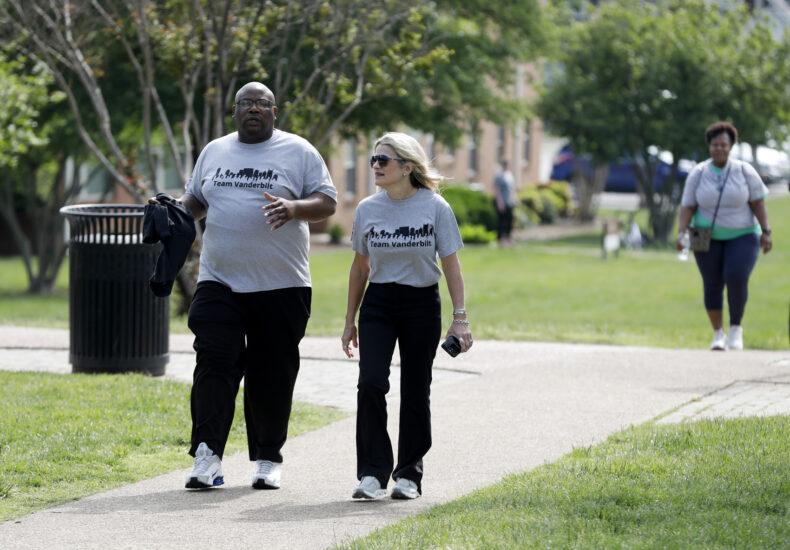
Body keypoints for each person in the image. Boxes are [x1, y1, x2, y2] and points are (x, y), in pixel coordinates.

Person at [153, 82, 337, 490]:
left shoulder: (300, 151)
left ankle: (268, 457)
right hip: (219, 280)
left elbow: (327, 202)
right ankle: (206, 455)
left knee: (271, 373)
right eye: (246, 103)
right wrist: (174, 211)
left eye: (262, 103)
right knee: (214, 364)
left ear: (275, 112)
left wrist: (293, 208)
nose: (254, 108)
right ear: (234, 111)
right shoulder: (215, 151)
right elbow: (197, 200)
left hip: (282, 285)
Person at [341, 132, 473, 500]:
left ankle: (409, 475)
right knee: (370, 383)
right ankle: (372, 473)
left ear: (407, 167)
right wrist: (350, 319)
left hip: (420, 304)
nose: (376, 167)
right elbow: (359, 269)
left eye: (383, 161)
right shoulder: (367, 208)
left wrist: (459, 317)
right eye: (373, 160)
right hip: (379, 304)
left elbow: (451, 267)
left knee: (416, 388)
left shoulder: (435, 208)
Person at [676, 121, 772, 351]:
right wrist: (681, 234)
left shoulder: (744, 171)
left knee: (736, 276)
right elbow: (687, 206)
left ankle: (735, 329)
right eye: (715, 144)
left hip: (743, 233)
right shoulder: (698, 173)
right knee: (712, 283)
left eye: (723, 145)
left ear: (731, 147)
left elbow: (758, 202)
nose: (719, 148)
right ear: (709, 146)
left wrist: (766, 232)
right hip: (704, 235)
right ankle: (718, 333)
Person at [493, 160, 516, 246]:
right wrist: (500, 202)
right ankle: (500, 240)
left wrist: (515, 199)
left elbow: (512, 189)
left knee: (509, 220)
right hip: (502, 202)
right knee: (501, 221)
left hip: (510, 202)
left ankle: (508, 238)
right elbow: (497, 189)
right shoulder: (499, 176)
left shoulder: (510, 175)